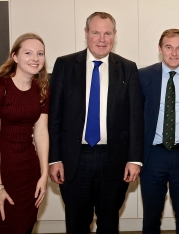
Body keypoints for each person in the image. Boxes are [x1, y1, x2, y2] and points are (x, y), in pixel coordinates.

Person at [48, 12, 144, 233]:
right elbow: (55, 116)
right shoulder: (64, 64)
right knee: (76, 224)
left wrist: (135, 160)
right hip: (74, 159)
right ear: (86, 34)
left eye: (107, 33)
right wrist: (55, 159)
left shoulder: (128, 68)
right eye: (96, 33)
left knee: (109, 224)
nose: (102, 39)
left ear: (114, 35)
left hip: (114, 160)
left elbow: (136, 119)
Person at [0, 33, 49, 233]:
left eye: (40, 53)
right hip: (3, 173)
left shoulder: (42, 89)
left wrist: (43, 175)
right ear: (15, 56)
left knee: (26, 227)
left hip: (30, 172)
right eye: (28, 52)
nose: (35, 58)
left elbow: (42, 133)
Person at [139, 28, 179, 233]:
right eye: (169, 47)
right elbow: (136, 116)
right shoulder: (143, 75)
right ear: (160, 49)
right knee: (151, 217)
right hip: (152, 155)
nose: (174, 53)